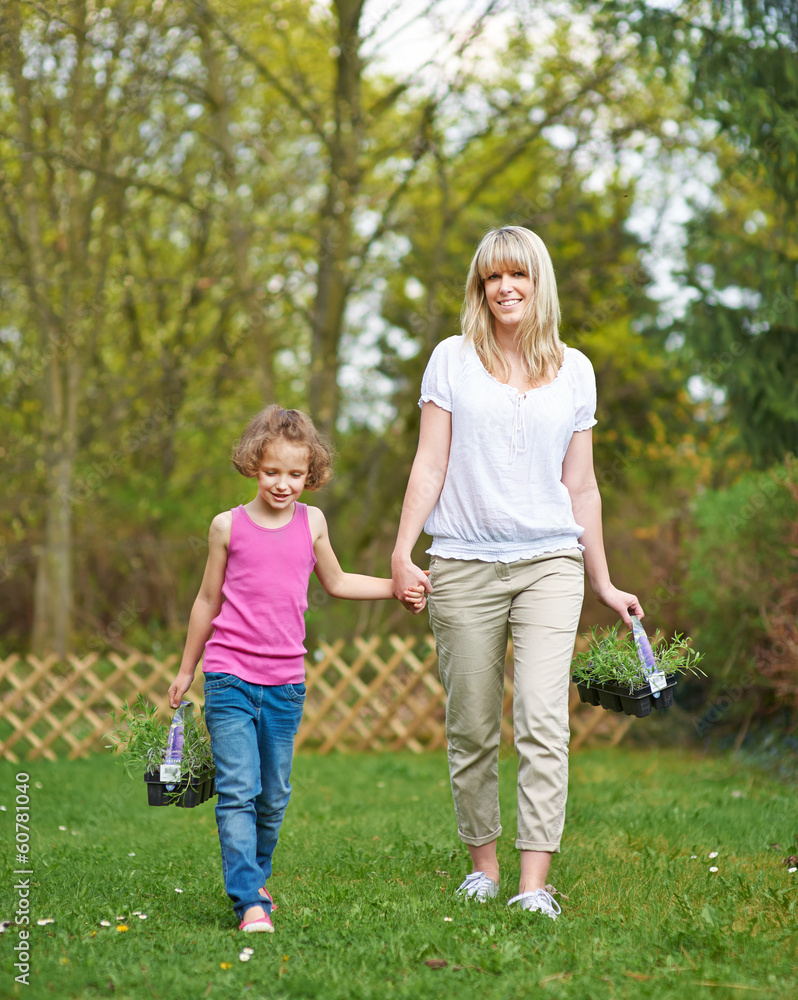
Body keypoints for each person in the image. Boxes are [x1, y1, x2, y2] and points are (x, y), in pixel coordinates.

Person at [391, 226, 643, 920]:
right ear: (480, 287)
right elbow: (430, 463)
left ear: (539, 284)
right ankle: (483, 866)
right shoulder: (451, 361)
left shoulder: (576, 369)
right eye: (492, 277)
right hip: (463, 563)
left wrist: (603, 579)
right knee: (471, 723)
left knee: (541, 718)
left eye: (518, 276)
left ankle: (534, 884)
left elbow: (583, 486)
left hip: (549, 564)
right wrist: (402, 548)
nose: (505, 288)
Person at [169, 404, 424, 933]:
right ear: (251, 467)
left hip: (286, 684)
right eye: (271, 472)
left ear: (312, 474)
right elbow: (206, 600)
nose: (282, 485)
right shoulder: (227, 526)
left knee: (273, 795)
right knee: (239, 788)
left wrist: (395, 587)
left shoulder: (313, 522)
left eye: (295, 474)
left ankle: (255, 879)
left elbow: (337, 581)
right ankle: (248, 902)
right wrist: (185, 669)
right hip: (229, 677)